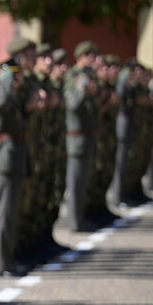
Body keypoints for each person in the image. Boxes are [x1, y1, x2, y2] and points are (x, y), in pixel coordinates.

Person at [0, 60, 29, 278]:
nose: (16, 80)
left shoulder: (12, 96)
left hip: (16, 157)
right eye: (12, 76)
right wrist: (4, 80)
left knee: (11, 214)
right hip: (6, 157)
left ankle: (7, 260)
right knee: (3, 213)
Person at [64, 43, 101, 232]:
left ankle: (80, 218)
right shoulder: (73, 77)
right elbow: (73, 104)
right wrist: (82, 89)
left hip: (88, 137)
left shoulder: (90, 77)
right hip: (76, 138)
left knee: (84, 182)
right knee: (76, 183)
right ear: (81, 57)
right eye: (91, 55)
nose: (95, 59)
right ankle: (74, 222)